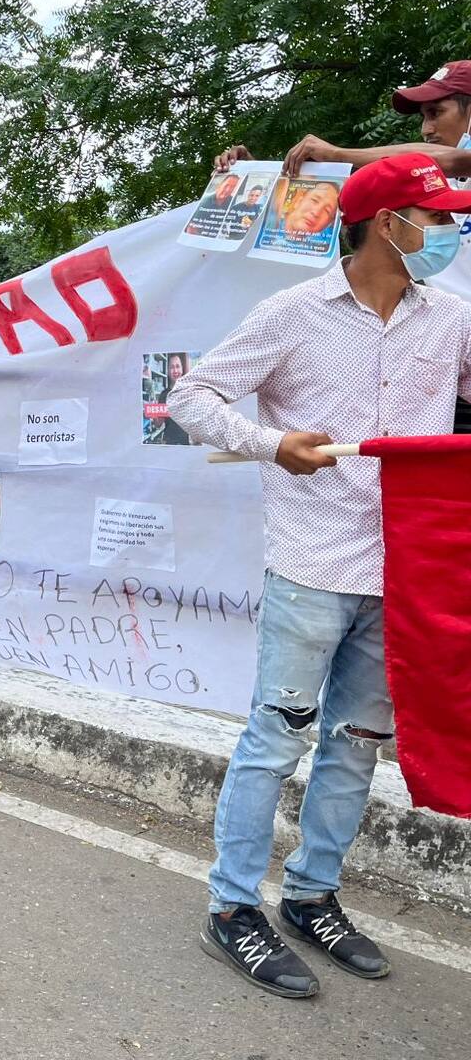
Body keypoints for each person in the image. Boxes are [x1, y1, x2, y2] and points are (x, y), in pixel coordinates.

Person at [166, 154, 471, 999]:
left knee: (356, 750)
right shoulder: (293, 313)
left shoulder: (451, 320)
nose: (450, 233)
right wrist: (274, 444)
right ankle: (232, 910)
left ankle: (310, 896)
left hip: (404, 570)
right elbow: (193, 399)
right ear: (388, 223)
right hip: (312, 566)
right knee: (275, 742)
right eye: (439, 219)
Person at [213, 60, 471, 181]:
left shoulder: (436, 168)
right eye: (423, 116)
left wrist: (335, 153)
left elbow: (440, 159)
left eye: (435, 113)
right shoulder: (432, 183)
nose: (426, 129)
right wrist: (253, 176)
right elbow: (313, 207)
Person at [161, 354, 191, 446]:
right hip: (169, 442)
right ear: (168, 371)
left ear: (182, 369)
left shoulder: (189, 392)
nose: (175, 371)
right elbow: (158, 424)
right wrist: (152, 413)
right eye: (172, 367)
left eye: (177, 366)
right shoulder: (163, 395)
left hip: (186, 442)